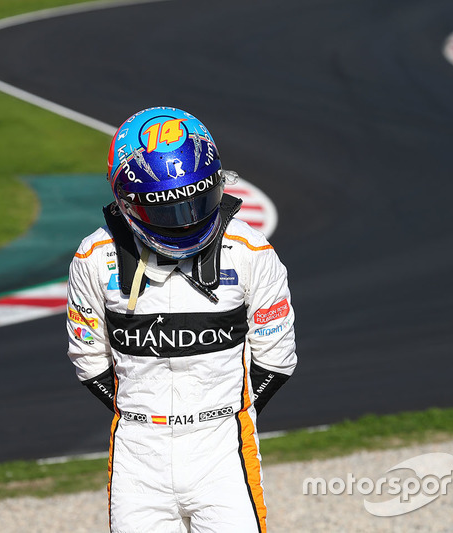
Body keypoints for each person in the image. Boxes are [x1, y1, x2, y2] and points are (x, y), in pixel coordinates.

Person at [66, 106, 297, 532]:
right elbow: (88, 359)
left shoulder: (251, 252)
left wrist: (219, 415)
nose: (186, 220)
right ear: (126, 201)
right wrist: (145, 413)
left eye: (196, 201)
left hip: (223, 447)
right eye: (166, 211)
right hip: (138, 454)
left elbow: (276, 357)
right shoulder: (94, 257)